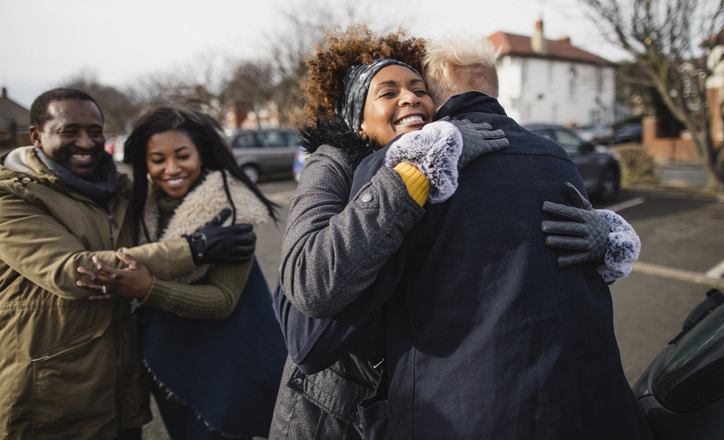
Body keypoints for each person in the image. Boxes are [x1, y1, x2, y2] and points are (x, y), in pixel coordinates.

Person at [269, 27, 641, 439]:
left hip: (395, 400)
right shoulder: (334, 164)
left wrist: (604, 239)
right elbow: (305, 315)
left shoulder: (443, 160)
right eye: (388, 92)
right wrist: (413, 173)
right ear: (357, 122)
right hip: (328, 409)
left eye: (418, 87)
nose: (409, 98)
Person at [0, 90, 253, 439]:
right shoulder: (11, 196)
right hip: (51, 396)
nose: (86, 142)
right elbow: (72, 271)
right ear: (36, 136)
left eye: (95, 130)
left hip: (122, 396)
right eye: (70, 130)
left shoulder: (122, 191)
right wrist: (194, 247)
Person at [75, 107, 288, 439]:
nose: (171, 169)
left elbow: (224, 300)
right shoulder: (139, 207)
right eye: (157, 159)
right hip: (170, 370)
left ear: (201, 154)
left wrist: (149, 289)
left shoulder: (229, 205)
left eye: (182, 155)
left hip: (224, 370)